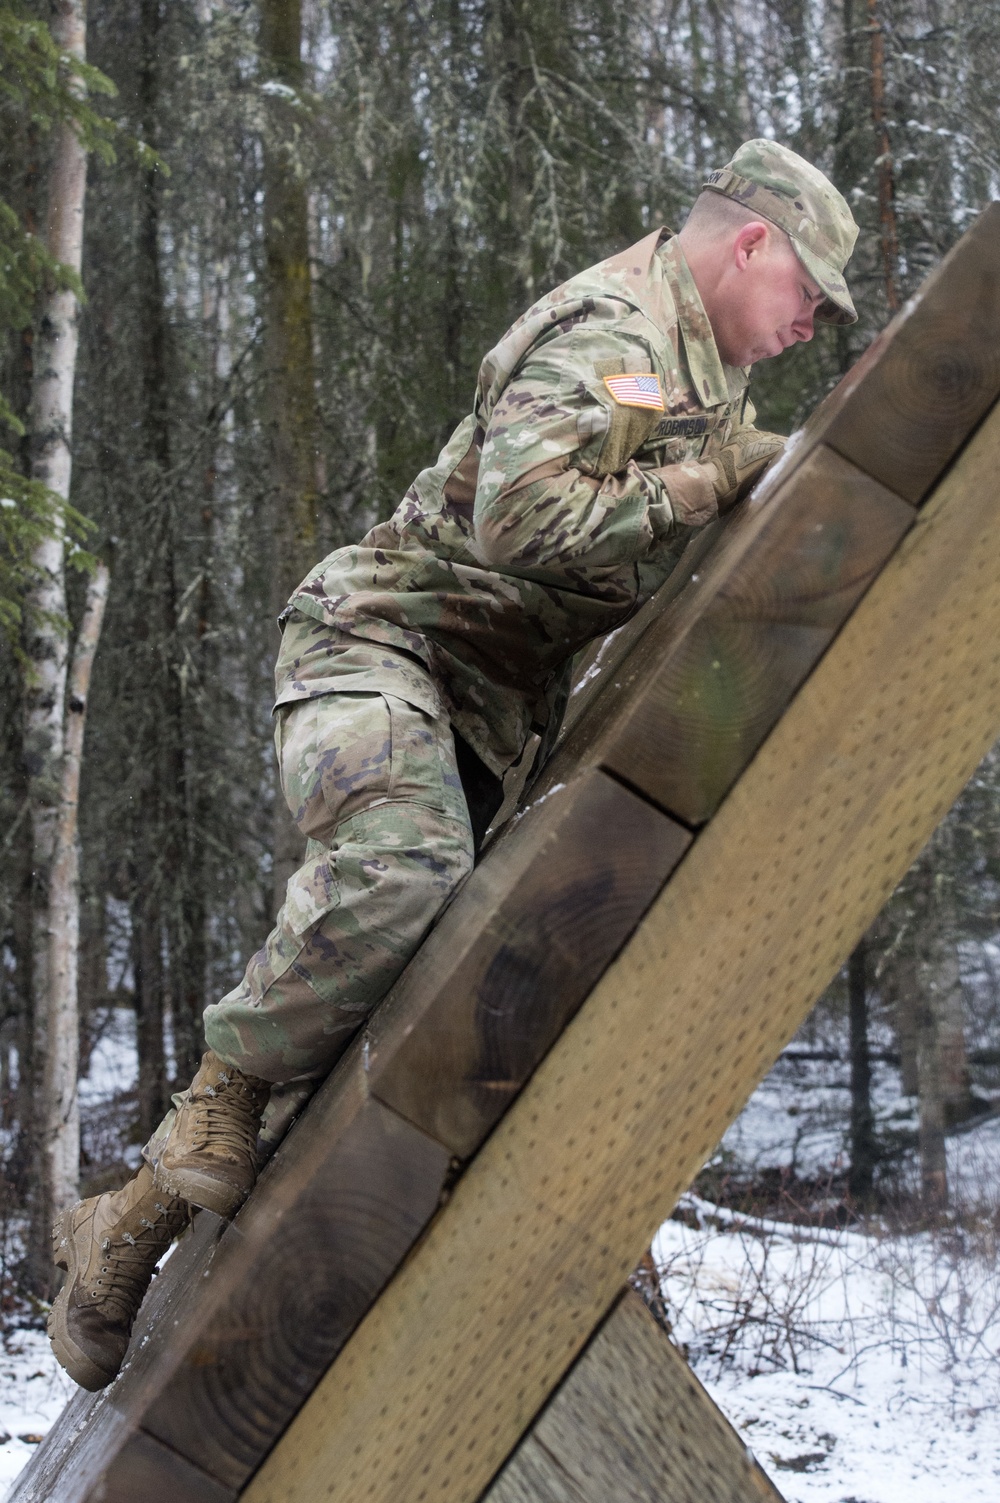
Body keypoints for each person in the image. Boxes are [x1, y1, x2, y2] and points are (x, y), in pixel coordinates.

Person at [48, 139, 858, 1391]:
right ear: (749, 242)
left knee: (383, 1034)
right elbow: (520, 521)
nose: (810, 324)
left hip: (487, 716)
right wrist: (702, 485)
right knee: (398, 870)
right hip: (380, 650)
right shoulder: (615, 331)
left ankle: (132, 1222)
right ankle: (214, 1086)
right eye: (807, 291)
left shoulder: (709, 371)